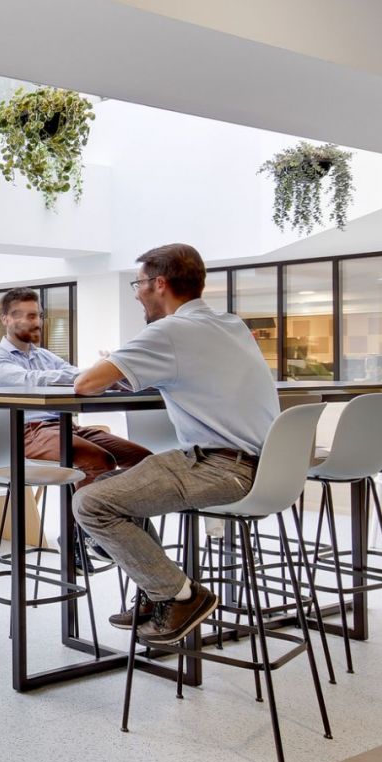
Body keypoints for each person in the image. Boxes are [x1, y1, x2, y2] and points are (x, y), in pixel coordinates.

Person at [71, 244, 279, 645]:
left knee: (90, 503)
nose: (136, 294)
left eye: (138, 284)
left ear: (159, 284)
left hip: (220, 468)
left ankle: (181, 596)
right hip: (265, 466)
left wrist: (120, 363)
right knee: (111, 488)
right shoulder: (231, 324)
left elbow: (86, 384)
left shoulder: (169, 331)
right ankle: (157, 592)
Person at [0, 287, 150, 487]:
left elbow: (78, 378)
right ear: (6, 319)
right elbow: (30, 379)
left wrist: (115, 374)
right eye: (26, 316)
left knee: (144, 460)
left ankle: (126, 509)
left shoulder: (45, 356)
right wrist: (94, 372)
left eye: (37, 316)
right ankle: (84, 509)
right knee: (99, 461)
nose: (34, 322)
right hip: (25, 431)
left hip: (65, 426)